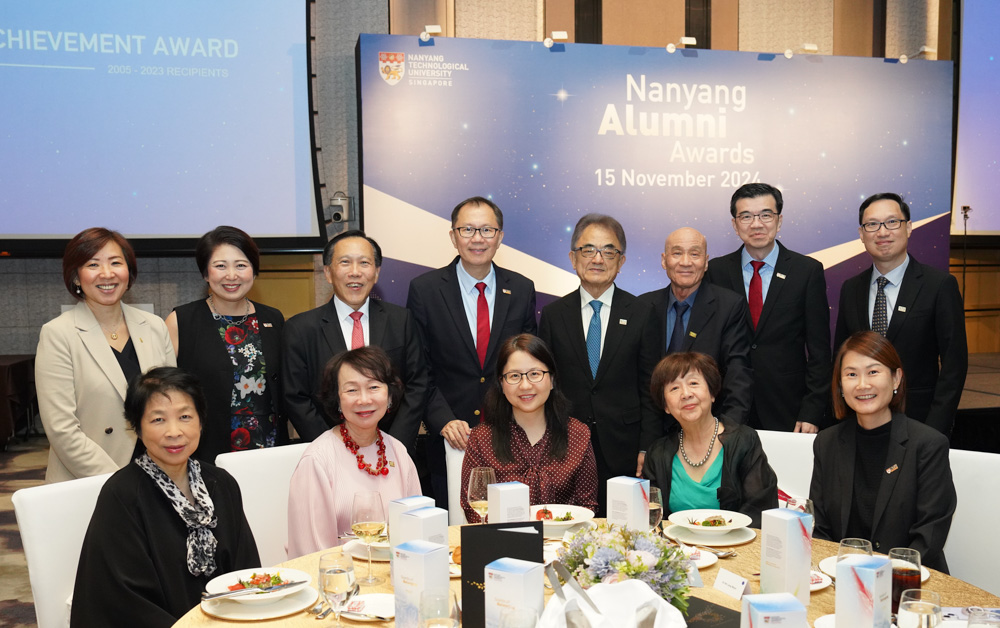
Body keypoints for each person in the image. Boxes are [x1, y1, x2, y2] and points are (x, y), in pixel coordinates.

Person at [71, 367, 260, 628]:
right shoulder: (122, 496)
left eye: (185, 417)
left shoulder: (222, 484)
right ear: (137, 428)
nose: (174, 432)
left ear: (201, 421)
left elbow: (246, 570)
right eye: (158, 420)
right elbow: (124, 601)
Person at [407, 196, 537, 506]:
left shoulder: (521, 288)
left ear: (500, 237)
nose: (477, 239)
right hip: (451, 437)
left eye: (487, 230)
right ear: (453, 236)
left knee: (511, 520)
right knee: (454, 524)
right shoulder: (425, 290)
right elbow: (418, 368)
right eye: (467, 229)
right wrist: (442, 420)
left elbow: (529, 367)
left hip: (510, 434)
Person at [538, 214, 659, 513]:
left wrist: (647, 447)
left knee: (623, 528)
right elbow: (546, 386)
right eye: (588, 249)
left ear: (621, 261)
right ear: (573, 258)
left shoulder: (642, 313)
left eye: (608, 251)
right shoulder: (553, 315)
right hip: (565, 446)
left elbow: (651, 389)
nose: (597, 259)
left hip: (625, 448)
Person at [35, 227, 176, 483]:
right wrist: (118, 482)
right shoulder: (58, 334)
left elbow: (172, 405)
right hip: (92, 478)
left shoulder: (154, 326)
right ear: (76, 277)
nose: (107, 273)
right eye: (93, 264)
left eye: (115, 262)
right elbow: (61, 429)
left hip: (158, 473)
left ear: (128, 272)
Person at [810, 331, 956, 572]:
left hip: (910, 580)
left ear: (896, 379)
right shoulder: (827, 443)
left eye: (873, 372)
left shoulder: (928, 445)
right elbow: (820, 528)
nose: (862, 384)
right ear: (840, 385)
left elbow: (928, 538)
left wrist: (881, 580)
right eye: (851, 374)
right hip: (842, 578)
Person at [834, 193, 967, 436]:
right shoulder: (851, 289)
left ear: (908, 227)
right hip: (861, 424)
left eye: (892, 222)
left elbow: (954, 365)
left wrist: (935, 429)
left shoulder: (939, 285)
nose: (882, 232)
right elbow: (841, 359)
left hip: (920, 422)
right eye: (872, 225)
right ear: (861, 234)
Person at [283, 230, 427, 452]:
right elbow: (296, 398)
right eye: (345, 262)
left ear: (376, 273)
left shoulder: (401, 320)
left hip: (392, 451)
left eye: (364, 263)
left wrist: (394, 445)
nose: (355, 272)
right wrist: (334, 449)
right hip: (329, 453)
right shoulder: (301, 329)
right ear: (328, 272)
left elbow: (417, 385)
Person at [705, 183, 832, 432]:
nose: (756, 224)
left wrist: (812, 410)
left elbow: (820, 352)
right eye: (746, 216)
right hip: (728, 408)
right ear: (735, 224)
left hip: (789, 408)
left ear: (779, 220)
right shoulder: (716, 272)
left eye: (765, 215)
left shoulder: (806, 271)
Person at [286, 346, 422, 558]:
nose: (364, 400)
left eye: (373, 387)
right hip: (337, 574)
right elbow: (312, 553)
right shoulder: (317, 460)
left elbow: (417, 529)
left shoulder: (397, 451)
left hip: (396, 570)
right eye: (351, 390)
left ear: (389, 395)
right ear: (337, 400)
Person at [165, 226, 285, 463]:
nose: (231, 275)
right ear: (205, 273)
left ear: (254, 270)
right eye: (220, 266)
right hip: (207, 449)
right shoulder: (181, 321)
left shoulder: (273, 319)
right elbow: (166, 394)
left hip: (268, 445)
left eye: (241, 265)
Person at [459, 334, 598, 522]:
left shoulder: (577, 434)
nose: (525, 385)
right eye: (514, 376)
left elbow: (587, 506)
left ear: (552, 380)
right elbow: (474, 510)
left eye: (534, 374)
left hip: (564, 537)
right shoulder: (481, 438)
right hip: (503, 538)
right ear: (501, 384)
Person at [642, 352, 778, 528]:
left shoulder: (744, 442)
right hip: (678, 544)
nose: (686, 394)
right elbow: (652, 520)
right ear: (666, 406)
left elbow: (760, 511)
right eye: (674, 388)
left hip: (735, 543)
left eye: (693, 383)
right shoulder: (657, 454)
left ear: (712, 393)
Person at [639, 227, 753, 425]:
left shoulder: (729, 307)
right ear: (664, 260)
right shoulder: (643, 307)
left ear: (706, 262)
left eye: (694, 254)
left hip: (710, 429)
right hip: (654, 431)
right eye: (677, 253)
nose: (686, 262)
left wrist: (728, 431)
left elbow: (738, 375)